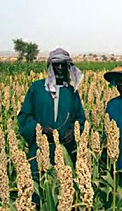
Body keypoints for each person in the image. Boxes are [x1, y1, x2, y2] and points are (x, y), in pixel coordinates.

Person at [18, 48, 86, 179]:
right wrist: (39, 129)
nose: (60, 68)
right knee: (39, 186)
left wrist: (73, 132)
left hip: (65, 151)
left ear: (68, 67)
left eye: (63, 65)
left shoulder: (72, 92)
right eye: (56, 65)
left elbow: (81, 119)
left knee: (64, 189)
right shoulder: (37, 88)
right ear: (50, 67)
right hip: (39, 149)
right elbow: (25, 117)